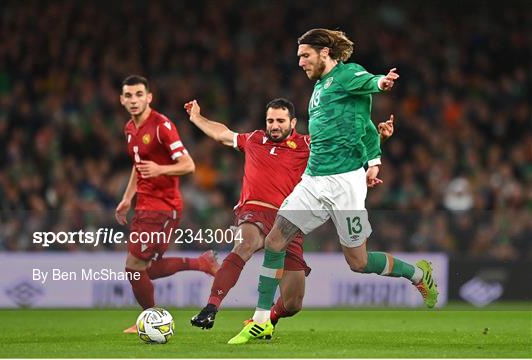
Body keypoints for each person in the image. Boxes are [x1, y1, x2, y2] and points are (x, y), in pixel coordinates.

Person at [228, 28, 438, 345]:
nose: (300, 62)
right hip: (313, 179)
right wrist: (375, 161)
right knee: (274, 240)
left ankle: (420, 275)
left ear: (324, 53)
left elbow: (369, 81)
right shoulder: (319, 88)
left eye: (305, 55)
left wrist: (381, 83)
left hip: (345, 184)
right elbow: (365, 127)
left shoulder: (347, 74)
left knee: (359, 262)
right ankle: (260, 320)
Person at [185, 98, 394, 332]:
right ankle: (210, 308)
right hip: (255, 209)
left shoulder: (307, 144)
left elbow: (345, 153)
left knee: (293, 302)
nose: (274, 125)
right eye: (270, 121)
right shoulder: (254, 139)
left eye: (280, 121)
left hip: (289, 219)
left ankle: (267, 321)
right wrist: (197, 118)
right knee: (246, 243)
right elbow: (223, 134)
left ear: (293, 122)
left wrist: (379, 139)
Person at [115, 75, 219, 333]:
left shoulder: (162, 126)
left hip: (162, 207)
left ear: (149, 97)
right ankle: (201, 263)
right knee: (145, 269)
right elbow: (138, 167)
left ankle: (151, 319)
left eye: (139, 94)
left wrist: (160, 168)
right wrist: (128, 198)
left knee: (134, 267)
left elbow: (188, 165)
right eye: (128, 95)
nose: (134, 100)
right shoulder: (130, 128)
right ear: (122, 100)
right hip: (145, 205)